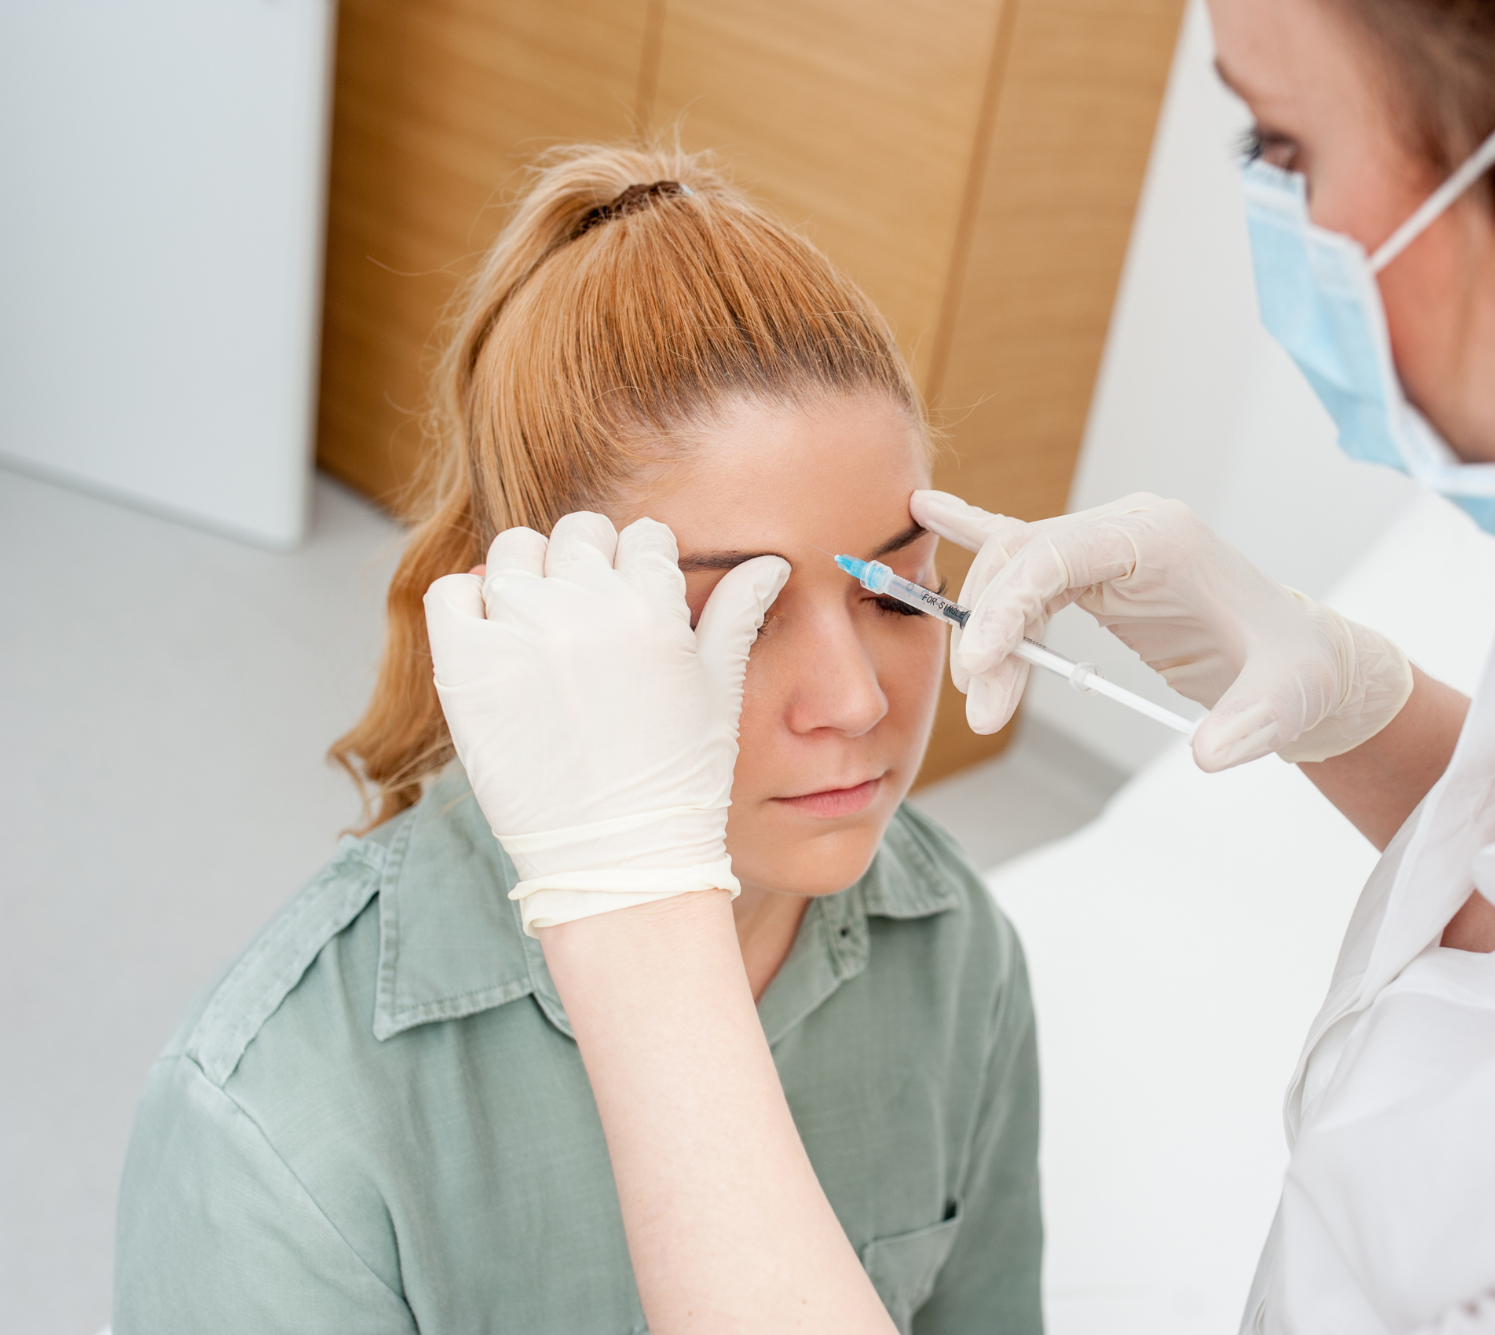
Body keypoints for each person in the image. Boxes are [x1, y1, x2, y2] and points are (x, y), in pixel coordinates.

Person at [415, 0, 1495, 1330]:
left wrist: (630, 913)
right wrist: (1363, 705)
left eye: (1285, 144)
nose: (852, 698)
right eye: (738, 608)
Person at [112, 147, 1042, 1334]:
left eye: (897, 592)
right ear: (531, 633)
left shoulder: (957, 956)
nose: (855, 701)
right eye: (728, 618)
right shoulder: (277, 1127)